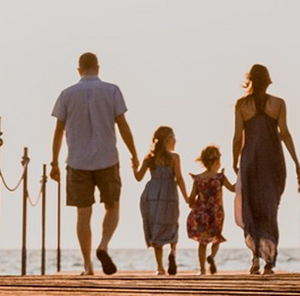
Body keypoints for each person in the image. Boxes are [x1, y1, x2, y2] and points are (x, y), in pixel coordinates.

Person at [50, 52, 139, 276]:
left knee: (83, 214)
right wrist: (134, 154)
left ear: (78, 70)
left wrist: (54, 162)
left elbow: (58, 131)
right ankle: (103, 245)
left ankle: (88, 266)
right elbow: (123, 125)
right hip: (107, 158)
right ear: (98, 68)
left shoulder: (66, 94)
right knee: (113, 206)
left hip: (78, 161)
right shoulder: (112, 91)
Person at [232, 64, 300, 275]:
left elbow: (238, 137)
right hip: (273, 160)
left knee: (252, 209)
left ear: (250, 80)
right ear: (268, 81)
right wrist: (295, 162)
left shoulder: (241, 105)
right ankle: (269, 262)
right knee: (271, 208)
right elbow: (285, 134)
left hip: (250, 161)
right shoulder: (278, 104)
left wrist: (235, 161)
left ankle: (255, 257)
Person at [132, 126, 189, 276]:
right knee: (171, 224)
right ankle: (173, 252)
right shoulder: (174, 158)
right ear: (166, 140)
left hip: (152, 195)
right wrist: (187, 198)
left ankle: (160, 268)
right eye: (172, 137)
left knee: (156, 226)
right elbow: (180, 179)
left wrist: (134, 165)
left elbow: (138, 177)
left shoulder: (149, 158)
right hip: (169, 194)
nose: (175, 140)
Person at [187, 146, 235, 275]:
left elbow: (192, 198)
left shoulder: (198, 179)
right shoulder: (220, 178)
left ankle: (202, 269)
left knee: (202, 242)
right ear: (216, 161)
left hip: (202, 213)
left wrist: (191, 203)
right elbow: (233, 188)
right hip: (216, 212)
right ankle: (212, 257)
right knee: (216, 237)